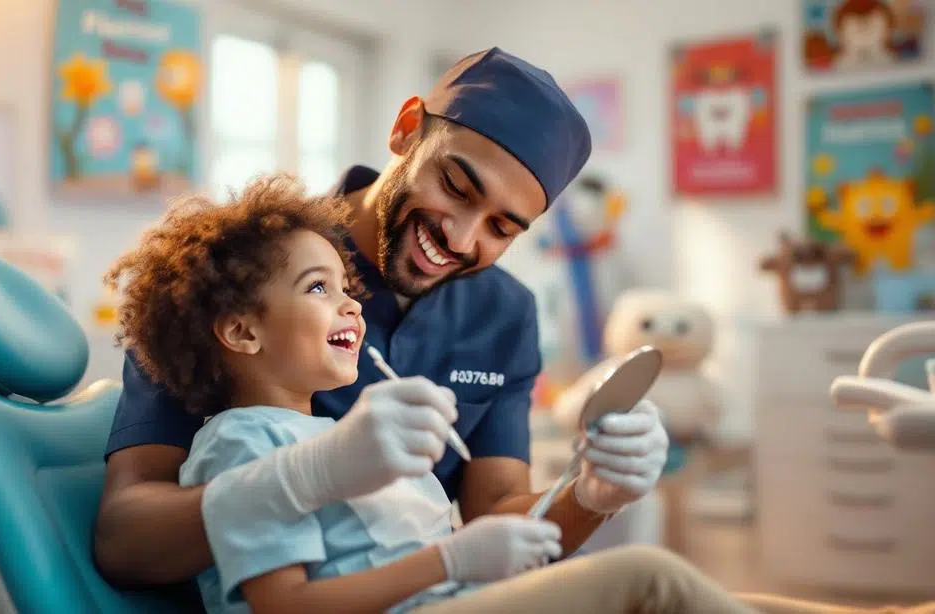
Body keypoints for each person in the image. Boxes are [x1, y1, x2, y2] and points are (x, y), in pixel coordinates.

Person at [93, 46, 670, 592]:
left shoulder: (505, 315)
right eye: (455, 186)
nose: (461, 237)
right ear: (406, 128)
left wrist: (591, 495)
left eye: (501, 229)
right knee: (651, 583)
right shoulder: (240, 273)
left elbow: (494, 517)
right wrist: (309, 477)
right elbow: (125, 539)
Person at [104, 173, 756, 614]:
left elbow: (480, 526)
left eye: (344, 288)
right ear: (242, 330)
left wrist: (589, 492)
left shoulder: (339, 441)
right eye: (317, 288)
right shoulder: (248, 444)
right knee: (651, 581)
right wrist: (449, 558)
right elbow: (288, 606)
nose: (351, 307)